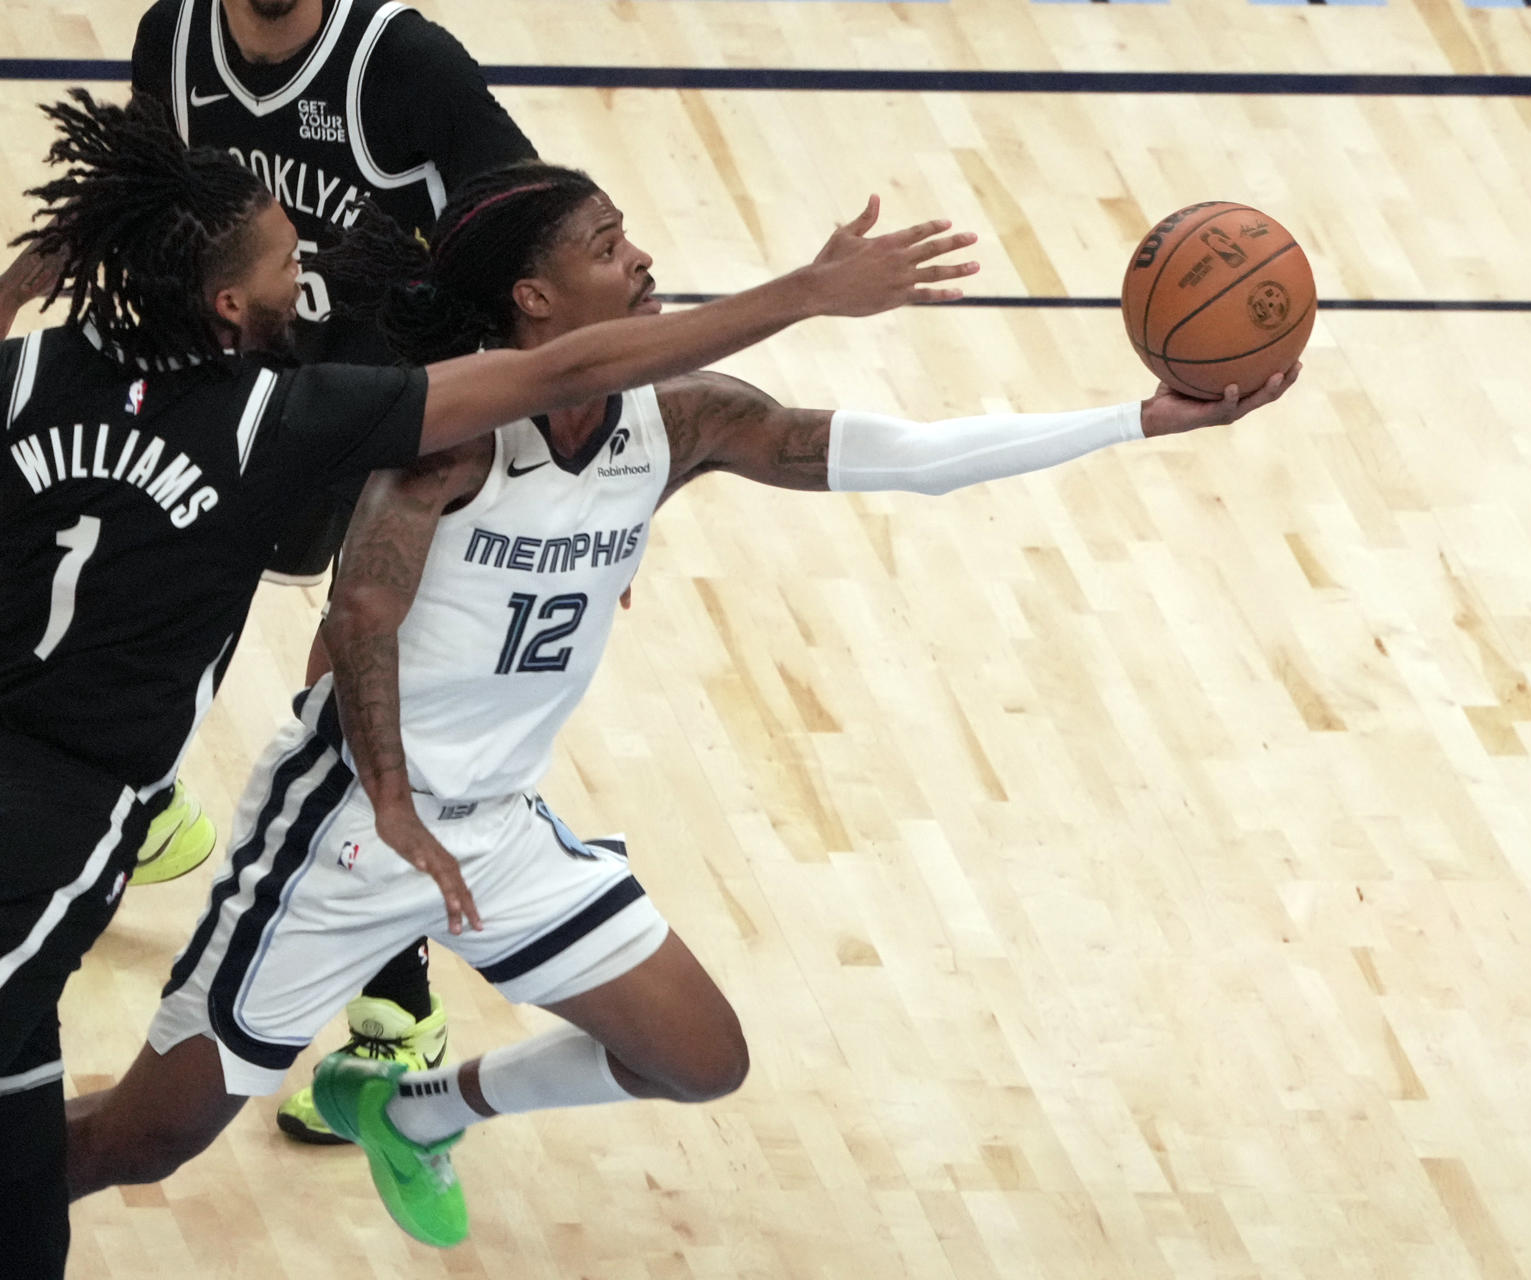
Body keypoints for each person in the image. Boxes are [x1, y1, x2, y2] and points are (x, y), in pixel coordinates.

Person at [62, 159, 1301, 1251]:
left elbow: (906, 456)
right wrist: (391, 800)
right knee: (145, 1138)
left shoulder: (680, 422)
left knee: (698, 1060)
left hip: (492, 825)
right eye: (606, 246)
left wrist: (1139, 419)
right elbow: (361, 617)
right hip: (343, 830)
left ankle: (415, 1107)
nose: (643, 254)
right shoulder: (451, 436)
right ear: (535, 303)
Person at [0, 91, 975, 1277]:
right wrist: (801, 293)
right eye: (288, 266)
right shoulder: (284, 418)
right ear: (226, 306)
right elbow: (570, 367)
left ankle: (415, 1102)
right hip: (58, 825)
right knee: (53, 1168)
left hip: (122, 789)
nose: (304, 282)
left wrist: (22, 284)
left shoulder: (27, 371)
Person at [119, 0, 542, 1106]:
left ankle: (396, 1015)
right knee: (114, 595)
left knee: (348, 708)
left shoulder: (405, 65)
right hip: (236, 389)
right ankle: (137, 796)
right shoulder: (174, 37)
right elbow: (144, 218)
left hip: (385, 416)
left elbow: (535, 239)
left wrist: (574, 467)